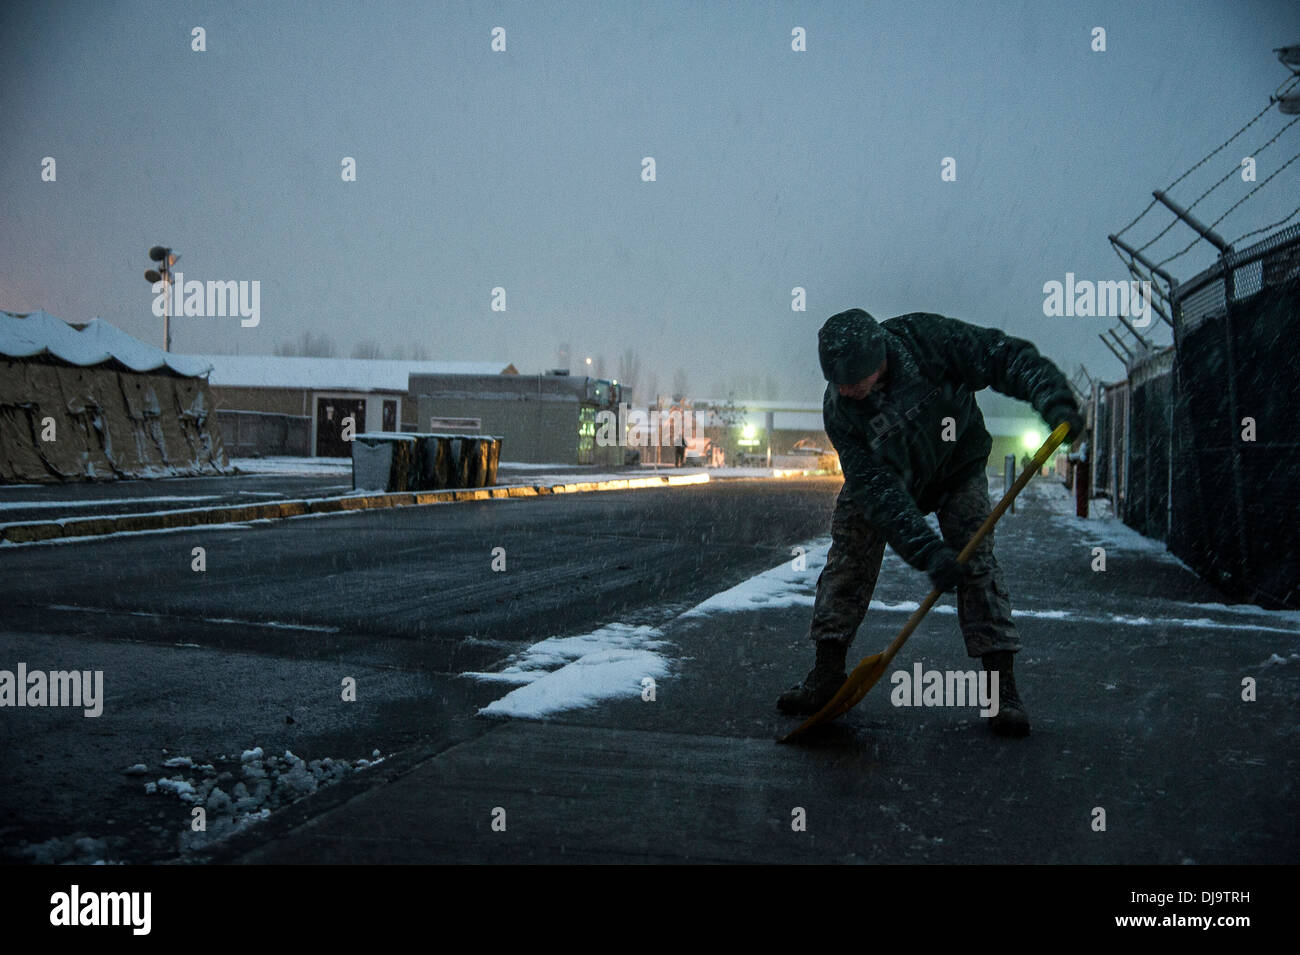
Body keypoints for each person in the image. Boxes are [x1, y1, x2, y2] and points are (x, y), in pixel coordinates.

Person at [776, 309, 1085, 737]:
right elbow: (878, 493)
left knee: (976, 562)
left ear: (877, 359)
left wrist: (1051, 395)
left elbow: (1003, 356)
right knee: (849, 554)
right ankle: (826, 672)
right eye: (837, 383)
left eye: (852, 381)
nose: (845, 391)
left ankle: (1002, 691)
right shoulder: (841, 409)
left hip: (957, 467)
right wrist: (927, 551)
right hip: (888, 482)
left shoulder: (929, 341)